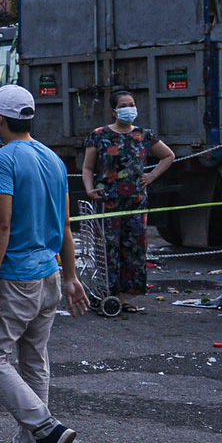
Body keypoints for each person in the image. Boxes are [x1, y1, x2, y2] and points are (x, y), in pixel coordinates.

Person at [0, 85, 89, 443]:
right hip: (50, 275)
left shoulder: (1, 160)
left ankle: (46, 429)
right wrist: (72, 277)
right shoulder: (53, 159)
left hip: (16, 277)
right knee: (33, 358)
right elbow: (66, 226)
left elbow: (2, 224)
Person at [81, 90, 176, 309]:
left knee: (133, 249)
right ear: (113, 111)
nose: (128, 108)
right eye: (123, 105)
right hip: (108, 202)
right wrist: (89, 189)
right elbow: (87, 167)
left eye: (131, 104)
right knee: (108, 249)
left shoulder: (144, 135)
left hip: (135, 202)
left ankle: (124, 296)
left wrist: (152, 175)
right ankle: (108, 294)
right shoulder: (99, 135)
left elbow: (168, 155)